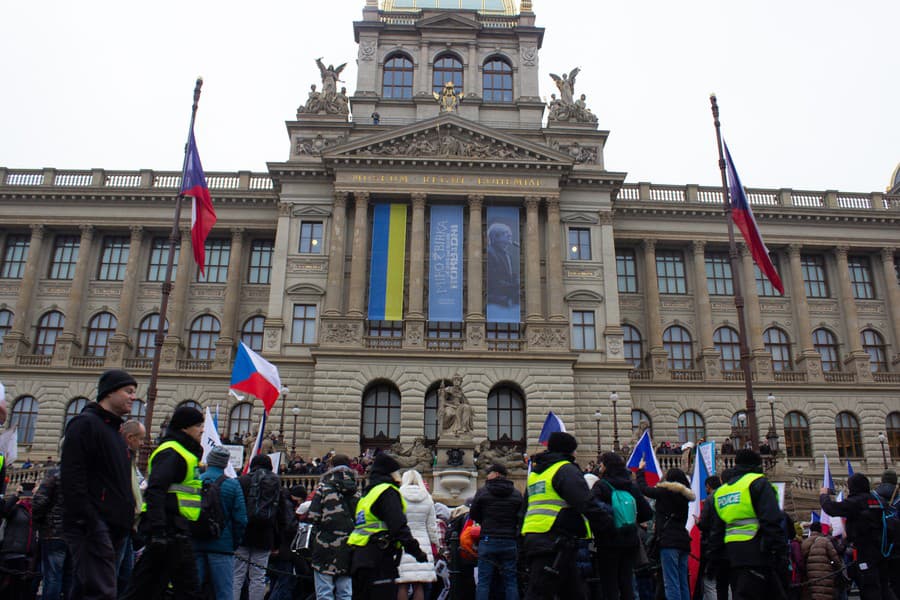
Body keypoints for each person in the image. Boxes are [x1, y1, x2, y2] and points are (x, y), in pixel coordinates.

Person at [61, 369, 137, 600]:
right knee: (102, 591)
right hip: (93, 525)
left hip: (113, 526)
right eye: (128, 391)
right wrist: (90, 519)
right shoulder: (85, 424)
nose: (133, 397)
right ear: (109, 393)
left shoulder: (114, 432)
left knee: (86, 589)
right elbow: (72, 476)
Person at [121, 406, 206, 600]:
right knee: (186, 589)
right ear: (185, 428)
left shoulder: (182, 451)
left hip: (174, 530)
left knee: (147, 588)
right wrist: (158, 531)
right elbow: (156, 490)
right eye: (198, 425)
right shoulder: (172, 452)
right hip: (168, 531)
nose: (202, 430)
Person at [521, 431, 609, 600]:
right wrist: (608, 524)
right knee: (540, 593)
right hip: (555, 540)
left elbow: (524, 510)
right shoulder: (565, 469)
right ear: (569, 451)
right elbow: (585, 502)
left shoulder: (535, 474)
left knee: (574, 592)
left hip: (536, 538)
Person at [348, 453, 428, 600]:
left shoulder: (367, 494)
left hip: (359, 557)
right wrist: (417, 552)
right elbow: (398, 525)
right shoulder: (387, 492)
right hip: (379, 557)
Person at [709, 449, 787, 600]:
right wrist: (779, 552)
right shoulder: (759, 483)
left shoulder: (721, 492)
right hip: (757, 552)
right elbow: (771, 520)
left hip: (731, 555)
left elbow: (716, 530)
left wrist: (714, 559)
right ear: (757, 464)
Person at [820, 472, 895, 599]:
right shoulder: (878, 500)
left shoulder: (856, 502)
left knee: (870, 588)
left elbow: (831, 509)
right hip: (882, 550)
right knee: (884, 586)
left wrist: (823, 495)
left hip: (865, 551)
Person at [592, 452, 652, 600]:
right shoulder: (630, 486)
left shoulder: (601, 486)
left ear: (606, 466)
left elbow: (593, 510)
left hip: (607, 542)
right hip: (630, 541)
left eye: (602, 464)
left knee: (609, 585)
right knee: (627, 584)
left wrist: (609, 526)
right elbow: (647, 512)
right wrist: (630, 520)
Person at [193, 446, 247, 600]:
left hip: (196, 543)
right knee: (224, 593)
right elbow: (241, 519)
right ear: (225, 464)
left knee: (193, 591)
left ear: (209, 461)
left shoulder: (196, 481)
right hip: (222, 546)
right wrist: (233, 543)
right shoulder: (233, 485)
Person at [636, 463, 694, 600]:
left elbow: (644, 489)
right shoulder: (685, 497)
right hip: (683, 541)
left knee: (671, 582)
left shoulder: (665, 492)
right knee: (682, 581)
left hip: (668, 541)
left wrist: (640, 471)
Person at [308, 453, 359, 600]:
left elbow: (313, 516)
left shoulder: (323, 488)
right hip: (349, 547)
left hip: (325, 546)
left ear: (331, 466)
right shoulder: (356, 492)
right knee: (345, 593)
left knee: (324, 593)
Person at [470, 462, 524, 600]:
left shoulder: (483, 491)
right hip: (509, 540)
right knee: (511, 581)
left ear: (497, 474)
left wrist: (484, 522)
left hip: (488, 538)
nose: (487, 476)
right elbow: (521, 516)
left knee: (484, 582)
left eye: (489, 473)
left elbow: (474, 514)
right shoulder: (516, 493)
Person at [234, 454, 284, 600]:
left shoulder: (242, 480)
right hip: (265, 535)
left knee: (237, 575)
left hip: (242, 533)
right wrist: (278, 541)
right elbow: (280, 514)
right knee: (258, 576)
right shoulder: (275, 481)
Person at [396, 469, 439, 600]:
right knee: (418, 585)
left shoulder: (398, 496)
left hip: (403, 541)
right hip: (422, 543)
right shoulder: (427, 498)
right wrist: (436, 543)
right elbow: (432, 525)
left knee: (402, 584)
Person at [33, 458, 72, 600]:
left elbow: (39, 502)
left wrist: (39, 523)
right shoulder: (83, 475)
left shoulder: (55, 473)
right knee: (70, 577)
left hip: (53, 533)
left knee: (52, 577)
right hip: (75, 535)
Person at [116, 419, 146, 598]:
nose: (143, 444)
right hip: (120, 524)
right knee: (115, 574)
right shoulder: (121, 457)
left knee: (125, 575)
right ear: (130, 437)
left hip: (128, 526)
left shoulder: (129, 458)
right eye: (140, 439)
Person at [0, 481, 39, 599]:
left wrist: (40, 494)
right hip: (13, 553)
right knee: (11, 590)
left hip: (29, 555)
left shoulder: (37, 510)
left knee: (25, 590)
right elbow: (3, 511)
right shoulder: (16, 508)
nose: (28, 498)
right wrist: (16, 495)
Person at [695, 474, 728, 600]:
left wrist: (699, 523)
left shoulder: (710, 499)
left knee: (710, 581)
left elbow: (705, 523)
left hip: (712, 544)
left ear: (708, 487)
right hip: (728, 543)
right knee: (726, 582)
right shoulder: (726, 496)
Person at [801, 522, 840, 600]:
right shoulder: (825, 541)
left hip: (810, 576)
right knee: (824, 595)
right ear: (821, 530)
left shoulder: (804, 542)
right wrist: (839, 568)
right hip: (826, 575)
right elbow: (835, 558)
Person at [485, 221, 519, 311]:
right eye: (506, 234)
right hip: (496, 298)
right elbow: (494, 280)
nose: (510, 236)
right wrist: (516, 286)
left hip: (507, 294)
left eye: (510, 234)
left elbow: (509, 276)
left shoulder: (507, 254)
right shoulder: (490, 253)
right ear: (495, 237)